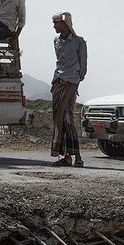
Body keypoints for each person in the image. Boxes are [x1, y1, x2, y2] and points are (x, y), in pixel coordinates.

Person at [50, 12, 87, 168]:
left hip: (71, 83)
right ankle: (67, 157)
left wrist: (74, 83)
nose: (54, 26)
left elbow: (83, 68)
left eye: (56, 23)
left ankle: (77, 157)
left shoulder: (79, 42)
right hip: (58, 83)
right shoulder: (56, 41)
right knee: (60, 118)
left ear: (64, 24)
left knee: (66, 117)